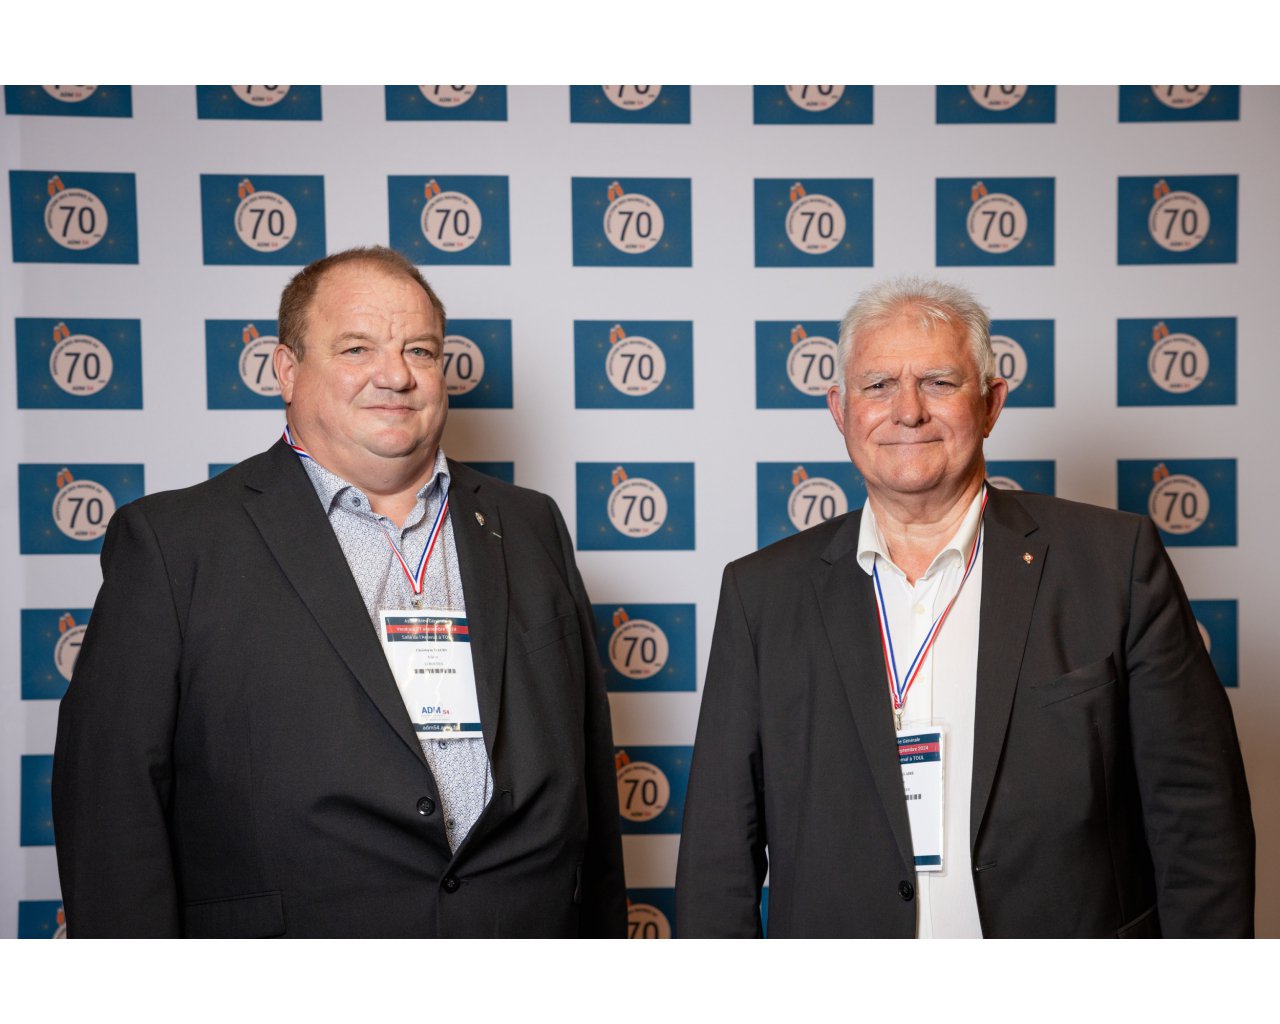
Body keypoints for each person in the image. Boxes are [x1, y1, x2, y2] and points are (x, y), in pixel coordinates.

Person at [52, 246, 626, 937]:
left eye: (420, 350)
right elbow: (110, 809)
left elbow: (588, 781)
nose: (396, 375)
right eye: (357, 349)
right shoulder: (175, 543)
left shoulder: (530, 524)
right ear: (287, 370)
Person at [675, 277, 1254, 938]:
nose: (908, 411)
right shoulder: (761, 594)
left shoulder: (1114, 563)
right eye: (877, 385)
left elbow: (1198, 820)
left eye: (939, 382)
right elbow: (719, 856)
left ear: (990, 403)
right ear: (840, 410)